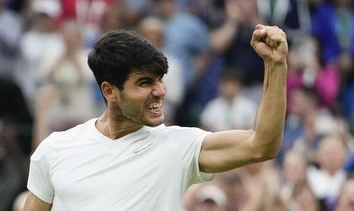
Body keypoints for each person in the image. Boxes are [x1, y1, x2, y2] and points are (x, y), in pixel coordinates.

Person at [23, 24, 288, 210]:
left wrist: (275, 66)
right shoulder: (55, 149)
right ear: (109, 91)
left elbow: (261, 144)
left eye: (160, 80)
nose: (160, 91)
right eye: (144, 82)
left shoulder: (179, 146)